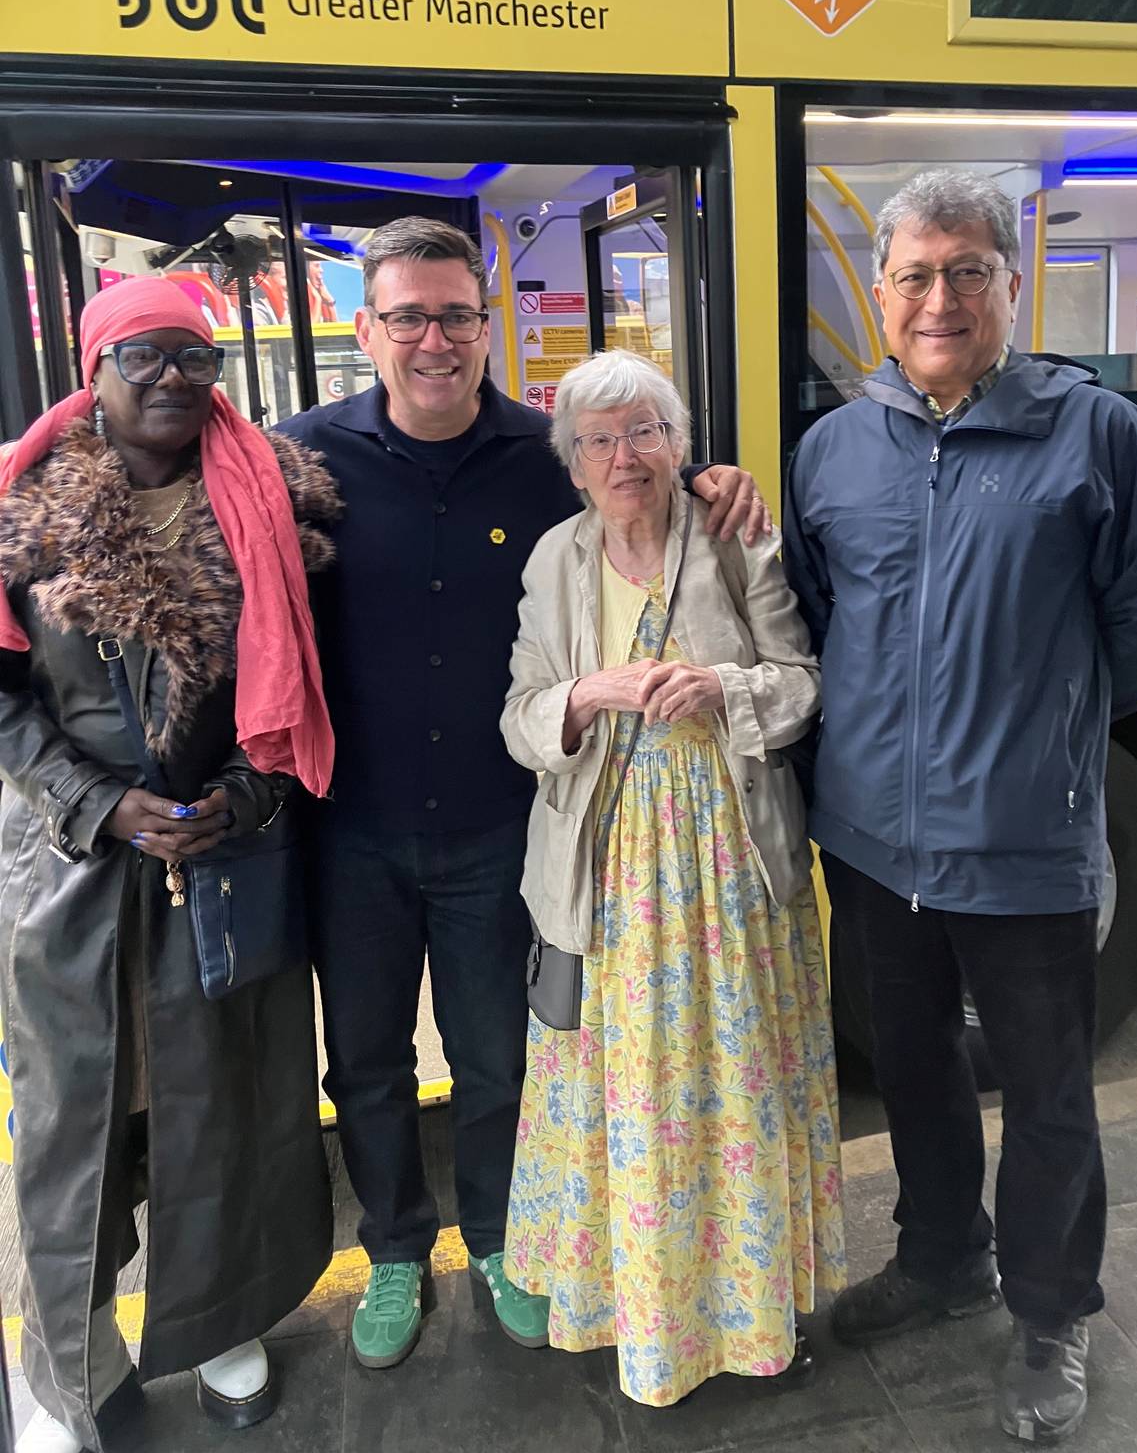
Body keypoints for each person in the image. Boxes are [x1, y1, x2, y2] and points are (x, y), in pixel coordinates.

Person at [274, 217, 770, 1371]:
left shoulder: (546, 454)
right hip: (351, 827)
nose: (434, 338)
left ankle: (500, 1236)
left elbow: (644, 475)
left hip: (510, 820)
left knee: (505, 1054)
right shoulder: (299, 459)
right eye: (407, 315)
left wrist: (716, 473)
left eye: (455, 314)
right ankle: (395, 1247)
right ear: (367, 328)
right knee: (364, 1061)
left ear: (487, 324)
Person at [783, 168, 1137, 1444]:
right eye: (913, 273)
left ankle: (1052, 1314)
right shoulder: (835, 446)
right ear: (882, 292)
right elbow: (819, 617)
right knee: (913, 1069)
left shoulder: (1092, 433)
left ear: (1012, 285)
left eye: (967, 270)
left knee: (1051, 1091)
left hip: (1027, 841)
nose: (939, 297)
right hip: (871, 842)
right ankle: (942, 1258)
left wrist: (1041, 738)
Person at [0, 278, 341, 1453]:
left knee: (222, 1103)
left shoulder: (279, 507)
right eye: (144, 354)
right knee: (75, 1124)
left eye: (195, 356)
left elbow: (313, 686)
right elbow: (3, 702)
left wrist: (247, 793)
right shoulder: (20, 507)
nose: (171, 379)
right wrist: (100, 803)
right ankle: (68, 1358)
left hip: (227, 854)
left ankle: (216, 1320)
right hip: (74, 870)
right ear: (94, 367)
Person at [499, 350, 845, 1406]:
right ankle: (644, 1320)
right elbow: (518, 720)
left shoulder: (734, 539)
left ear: (679, 446)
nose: (622, 456)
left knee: (738, 1091)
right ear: (572, 464)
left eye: (643, 431)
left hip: (731, 859)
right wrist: (581, 694)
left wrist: (723, 686)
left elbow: (802, 684)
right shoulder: (555, 561)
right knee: (631, 1100)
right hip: (606, 871)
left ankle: (749, 1312)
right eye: (597, 440)